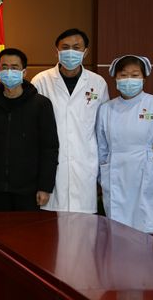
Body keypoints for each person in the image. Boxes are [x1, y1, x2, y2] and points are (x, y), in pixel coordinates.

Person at [97, 55, 153, 233]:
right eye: (123, 75)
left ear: (144, 78)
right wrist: (101, 177)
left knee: (152, 228)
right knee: (120, 231)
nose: (129, 79)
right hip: (117, 176)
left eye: (135, 75)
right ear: (115, 78)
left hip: (152, 175)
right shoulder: (106, 109)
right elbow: (101, 148)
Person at [31, 28, 108, 213]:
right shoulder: (41, 81)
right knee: (50, 225)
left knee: (83, 227)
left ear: (85, 51)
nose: (70, 52)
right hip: (51, 169)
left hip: (85, 166)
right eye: (65, 47)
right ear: (56, 51)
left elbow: (102, 130)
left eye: (76, 47)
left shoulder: (98, 83)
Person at [0, 48, 59, 211]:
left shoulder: (41, 104)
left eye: (14, 67)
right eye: (4, 67)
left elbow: (49, 148)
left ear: (24, 72)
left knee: (27, 228)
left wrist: (45, 187)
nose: (9, 72)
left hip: (29, 190)